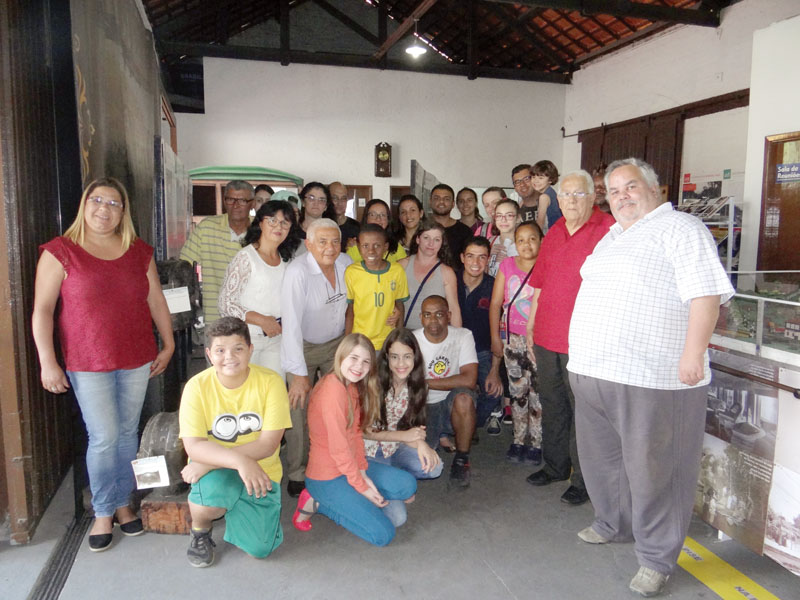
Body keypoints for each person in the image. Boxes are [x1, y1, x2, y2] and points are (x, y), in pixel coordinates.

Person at [568, 158, 734, 597]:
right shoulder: (611, 236)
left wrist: (693, 353)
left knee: (657, 470)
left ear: (655, 187)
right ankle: (613, 522)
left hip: (653, 377)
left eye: (630, 186)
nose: (621, 196)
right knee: (604, 461)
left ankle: (656, 557)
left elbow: (706, 293)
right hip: (593, 371)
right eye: (613, 190)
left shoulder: (680, 229)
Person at [32, 177, 174, 552]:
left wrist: (170, 342)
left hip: (136, 357)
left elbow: (156, 300)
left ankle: (125, 504)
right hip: (86, 360)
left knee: (128, 433)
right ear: (84, 204)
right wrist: (48, 362)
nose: (104, 209)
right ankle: (102, 511)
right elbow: (42, 311)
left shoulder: (138, 251)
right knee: (104, 437)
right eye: (97, 200)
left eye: (113, 203)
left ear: (123, 212)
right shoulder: (61, 251)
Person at [524, 170, 615, 506]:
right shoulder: (555, 231)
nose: (572, 200)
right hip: (547, 336)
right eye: (566, 195)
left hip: (586, 341)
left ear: (593, 197)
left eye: (579, 194)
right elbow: (540, 285)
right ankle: (556, 465)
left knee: (587, 414)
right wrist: (531, 328)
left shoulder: (608, 230)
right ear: (557, 199)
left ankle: (586, 479)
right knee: (554, 404)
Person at [178, 317, 291, 567]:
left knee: (261, 549)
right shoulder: (196, 387)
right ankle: (200, 529)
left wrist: (209, 464)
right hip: (226, 471)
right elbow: (194, 446)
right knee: (210, 501)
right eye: (220, 350)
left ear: (251, 350)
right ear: (209, 354)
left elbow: (269, 444)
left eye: (238, 348)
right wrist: (240, 461)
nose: (229, 356)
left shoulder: (271, 382)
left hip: (261, 469)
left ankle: (240, 508)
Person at [292, 334, 417, 546]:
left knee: (407, 485)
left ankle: (350, 496)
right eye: (353, 358)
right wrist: (363, 488)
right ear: (341, 356)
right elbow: (340, 450)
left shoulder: (351, 385)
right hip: (327, 477)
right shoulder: (332, 391)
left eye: (366, 361)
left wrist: (362, 472)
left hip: (348, 467)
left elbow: (356, 435)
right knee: (383, 535)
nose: (359, 366)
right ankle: (318, 502)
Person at [281, 218, 352, 498]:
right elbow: (291, 325)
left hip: (337, 344)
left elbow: (353, 304)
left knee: (341, 404)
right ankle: (297, 471)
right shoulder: (297, 272)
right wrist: (298, 375)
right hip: (303, 346)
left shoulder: (346, 263)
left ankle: (339, 460)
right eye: (322, 241)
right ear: (308, 244)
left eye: (335, 241)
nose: (330, 247)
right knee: (298, 409)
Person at [363, 328, 444, 523]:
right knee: (398, 518)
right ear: (386, 358)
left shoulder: (419, 386)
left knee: (435, 466)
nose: (401, 364)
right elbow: (364, 431)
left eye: (407, 357)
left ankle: (393, 481)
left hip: (394, 450)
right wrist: (404, 436)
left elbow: (414, 429)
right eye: (395, 357)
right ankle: (367, 486)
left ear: (415, 358)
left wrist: (422, 444)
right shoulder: (373, 383)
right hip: (367, 454)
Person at [218, 201, 300, 379]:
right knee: (245, 393)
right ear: (260, 223)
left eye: (285, 222)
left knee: (274, 391)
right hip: (247, 339)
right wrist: (262, 320)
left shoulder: (287, 260)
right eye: (272, 220)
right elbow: (225, 303)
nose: (278, 226)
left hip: (277, 339)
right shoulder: (246, 257)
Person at [487, 222, 542, 464]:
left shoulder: (546, 266)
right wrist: (495, 339)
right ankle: (518, 440)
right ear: (515, 244)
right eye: (521, 240)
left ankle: (537, 443)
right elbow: (495, 304)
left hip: (539, 341)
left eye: (532, 239)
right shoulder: (507, 266)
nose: (527, 244)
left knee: (537, 394)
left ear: (541, 241)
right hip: (512, 340)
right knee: (518, 392)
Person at [413, 295, 478, 489]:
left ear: (449, 316)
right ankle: (437, 439)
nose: (433, 320)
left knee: (464, 398)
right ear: (421, 317)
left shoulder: (463, 336)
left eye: (439, 314)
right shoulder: (412, 340)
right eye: (427, 315)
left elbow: (469, 379)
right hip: (425, 407)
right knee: (421, 465)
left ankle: (462, 459)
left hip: (451, 403)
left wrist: (425, 382)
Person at [180, 180, 254, 325]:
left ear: (252, 204)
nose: (235, 205)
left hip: (253, 319)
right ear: (224, 202)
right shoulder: (207, 228)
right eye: (230, 199)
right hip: (216, 319)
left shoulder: (261, 230)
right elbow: (183, 265)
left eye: (242, 201)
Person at [457, 236, 502, 433]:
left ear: (488, 259)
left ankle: (470, 426)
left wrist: (495, 370)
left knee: (493, 393)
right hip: (454, 353)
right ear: (462, 258)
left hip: (482, 351)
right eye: (470, 256)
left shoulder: (493, 286)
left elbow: (498, 332)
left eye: (482, 257)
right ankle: (455, 427)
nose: (475, 263)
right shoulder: (451, 281)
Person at [344, 224, 409, 351]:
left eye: (377, 245)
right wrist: (348, 341)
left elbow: (399, 304)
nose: (371, 251)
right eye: (365, 246)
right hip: (360, 340)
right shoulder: (351, 272)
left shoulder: (397, 271)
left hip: (388, 340)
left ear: (385, 247)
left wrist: (399, 337)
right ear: (358, 247)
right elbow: (350, 309)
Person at [399, 221, 462, 331]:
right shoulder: (401, 266)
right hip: (405, 335)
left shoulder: (446, 272)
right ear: (418, 239)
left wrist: (458, 339)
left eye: (436, 239)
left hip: (434, 335)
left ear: (442, 243)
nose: (431, 244)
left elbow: (453, 309)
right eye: (426, 238)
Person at [346, 199, 407, 264]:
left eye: (382, 215)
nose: (378, 219)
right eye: (373, 215)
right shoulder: (355, 246)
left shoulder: (396, 247)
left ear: (388, 220)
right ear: (366, 218)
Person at [429, 184, 472, 263]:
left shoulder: (465, 232)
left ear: (453, 204)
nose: (441, 202)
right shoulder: (421, 228)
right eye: (436, 198)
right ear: (430, 202)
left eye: (446, 199)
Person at [487, 198, 520, 278]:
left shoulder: (524, 245)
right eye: (499, 215)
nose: (503, 220)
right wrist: (487, 257)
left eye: (509, 215)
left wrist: (510, 265)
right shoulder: (490, 242)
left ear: (518, 218)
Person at [324, 182, 360, 251]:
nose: (339, 202)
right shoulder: (321, 225)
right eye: (335, 198)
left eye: (343, 198)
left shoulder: (357, 227)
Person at [531, 159, 562, 231]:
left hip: (551, 233)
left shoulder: (544, 197)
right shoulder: (552, 192)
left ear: (550, 180)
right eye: (533, 177)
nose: (536, 181)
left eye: (541, 178)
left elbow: (540, 223)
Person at [511, 164, 543, 229]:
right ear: (515, 188)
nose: (522, 184)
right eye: (517, 182)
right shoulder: (516, 213)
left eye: (526, 179)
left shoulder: (551, 203)